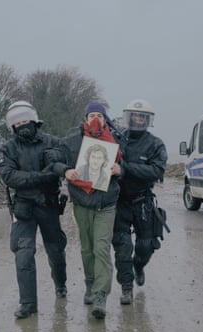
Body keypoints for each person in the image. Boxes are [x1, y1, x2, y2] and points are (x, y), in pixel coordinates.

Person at [48, 101, 121, 319]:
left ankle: (100, 295)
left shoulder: (115, 140)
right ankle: (90, 283)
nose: (95, 119)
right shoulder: (71, 141)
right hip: (81, 202)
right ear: (85, 119)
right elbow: (53, 160)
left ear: (105, 118)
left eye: (100, 115)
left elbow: (125, 166)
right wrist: (65, 170)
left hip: (106, 203)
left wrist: (120, 169)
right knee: (87, 248)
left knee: (101, 247)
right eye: (92, 115)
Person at [0, 100, 67, 319]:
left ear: (34, 120)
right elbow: (9, 176)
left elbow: (64, 165)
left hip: (48, 203)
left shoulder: (53, 142)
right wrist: (41, 176)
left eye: (26, 120)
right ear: (12, 126)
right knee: (23, 254)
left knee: (55, 249)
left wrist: (54, 170)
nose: (23, 124)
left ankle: (60, 284)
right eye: (18, 122)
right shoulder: (7, 148)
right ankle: (27, 303)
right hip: (24, 207)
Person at [112, 99, 168, 305]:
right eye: (134, 116)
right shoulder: (116, 140)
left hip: (142, 201)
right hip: (119, 202)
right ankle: (126, 287)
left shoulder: (155, 144)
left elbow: (157, 171)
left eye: (141, 116)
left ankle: (139, 266)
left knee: (146, 246)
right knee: (122, 249)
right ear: (128, 117)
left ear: (147, 120)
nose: (137, 119)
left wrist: (126, 168)